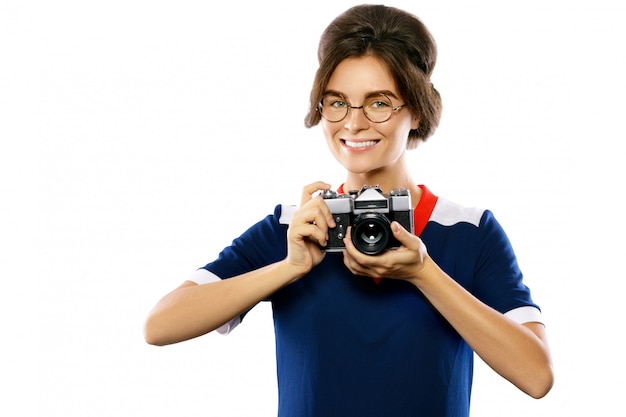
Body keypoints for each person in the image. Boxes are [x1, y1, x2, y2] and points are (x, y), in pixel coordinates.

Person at [144, 4, 554, 416]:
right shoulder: (295, 226)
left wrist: (423, 273)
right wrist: (288, 267)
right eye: (336, 102)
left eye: (379, 103)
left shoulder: (469, 231)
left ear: (415, 111)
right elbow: (160, 325)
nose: (353, 124)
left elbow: (537, 376)